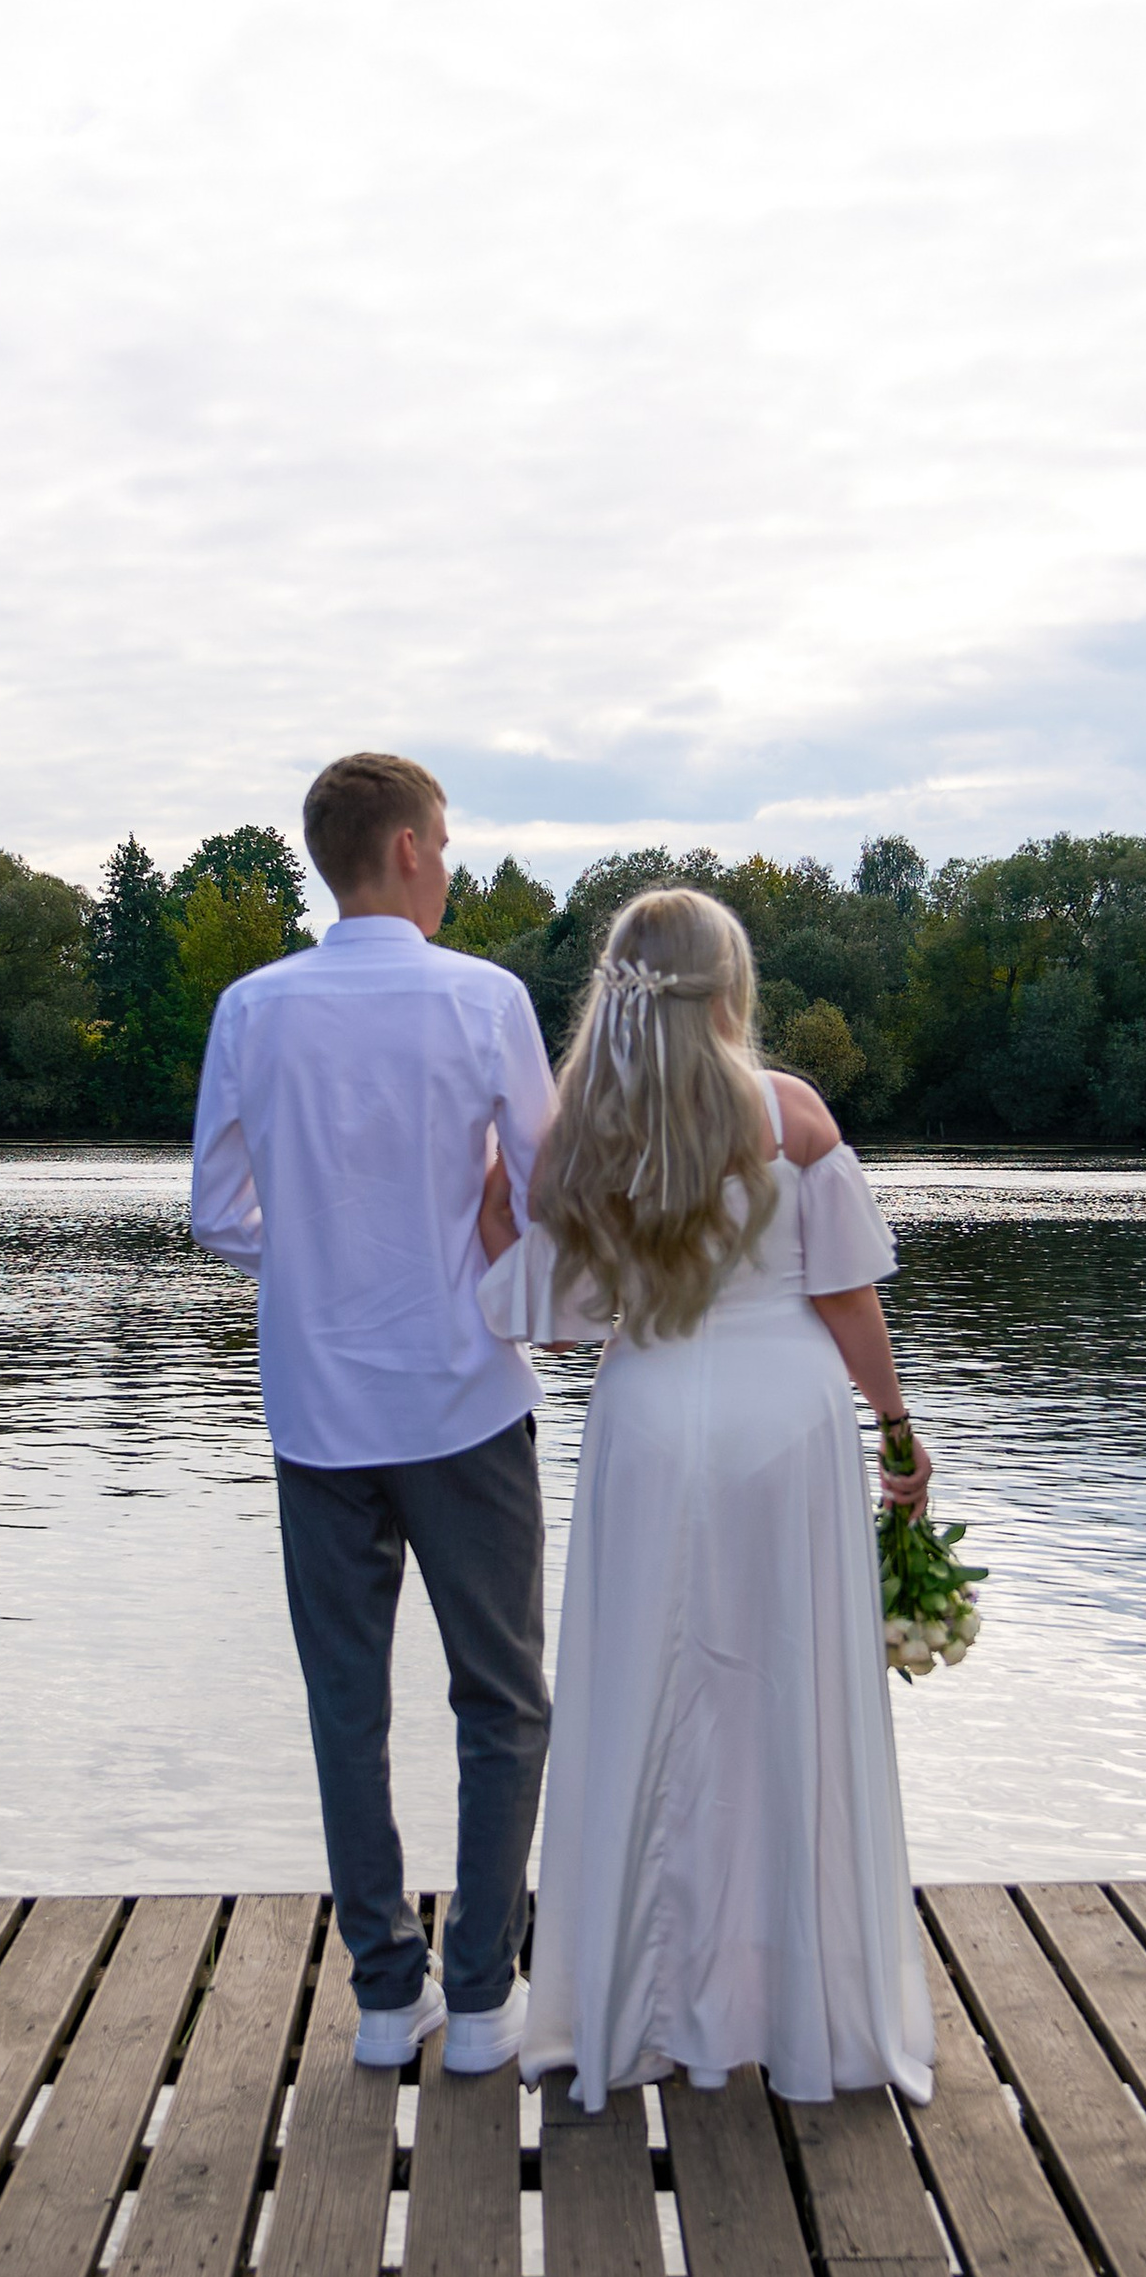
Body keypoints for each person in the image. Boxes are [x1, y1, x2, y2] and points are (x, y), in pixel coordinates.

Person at [475, 885, 936, 2107]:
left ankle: (637, 1999)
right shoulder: (790, 1114)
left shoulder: (583, 1134)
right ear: (726, 985)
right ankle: (794, 2003)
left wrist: (490, 1223)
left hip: (651, 1423)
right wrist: (896, 1427)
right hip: (785, 1427)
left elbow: (566, 1330)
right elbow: (844, 1295)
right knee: (781, 1696)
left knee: (649, 1696)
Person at [190, 752, 556, 2073]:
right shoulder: (485, 998)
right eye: (446, 844)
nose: (451, 867)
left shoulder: (251, 1006)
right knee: (502, 1697)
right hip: (462, 1394)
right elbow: (549, 1183)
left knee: (348, 1704)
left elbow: (214, 1211)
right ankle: (484, 1994)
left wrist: (312, 1267)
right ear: (403, 848)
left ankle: (388, 2000)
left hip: (317, 1412)